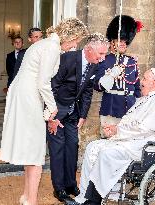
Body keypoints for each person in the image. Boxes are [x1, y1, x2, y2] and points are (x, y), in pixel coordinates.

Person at [0, 18, 89, 205]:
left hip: (25, 96)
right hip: (29, 98)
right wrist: (52, 107)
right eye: (75, 41)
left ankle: (26, 196)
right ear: (70, 35)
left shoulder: (46, 44)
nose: (74, 46)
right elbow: (43, 83)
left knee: (31, 151)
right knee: (35, 151)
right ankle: (31, 200)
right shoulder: (51, 47)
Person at [64, 68, 155, 205]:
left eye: (145, 79)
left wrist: (119, 130)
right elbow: (131, 121)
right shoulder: (146, 98)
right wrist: (115, 129)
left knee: (107, 153)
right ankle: (83, 196)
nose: (141, 81)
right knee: (92, 147)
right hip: (136, 139)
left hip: (150, 145)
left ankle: (94, 200)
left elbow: (144, 128)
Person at [46, 33, 109, 203]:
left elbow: (88, 91)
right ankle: (59, 189)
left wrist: (83, 115)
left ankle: (71, 184)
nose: (103, 59)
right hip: (56, 113)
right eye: (100, 54)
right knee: (57, 151)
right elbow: (52, 87)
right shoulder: (66, 59)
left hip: (73, 115)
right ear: (88, 49)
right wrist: (52, 116)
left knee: (72, 148)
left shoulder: (94, 64)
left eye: (105, 54)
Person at [94, 15, 142, 137]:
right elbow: (98, 86)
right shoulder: (104, 60)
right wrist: (113, 74)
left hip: (129, 109)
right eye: (120, 40)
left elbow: (137, 89)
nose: (123, 44)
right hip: (111, 109)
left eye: (125, 41)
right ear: (111, 42)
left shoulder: (131, 62)